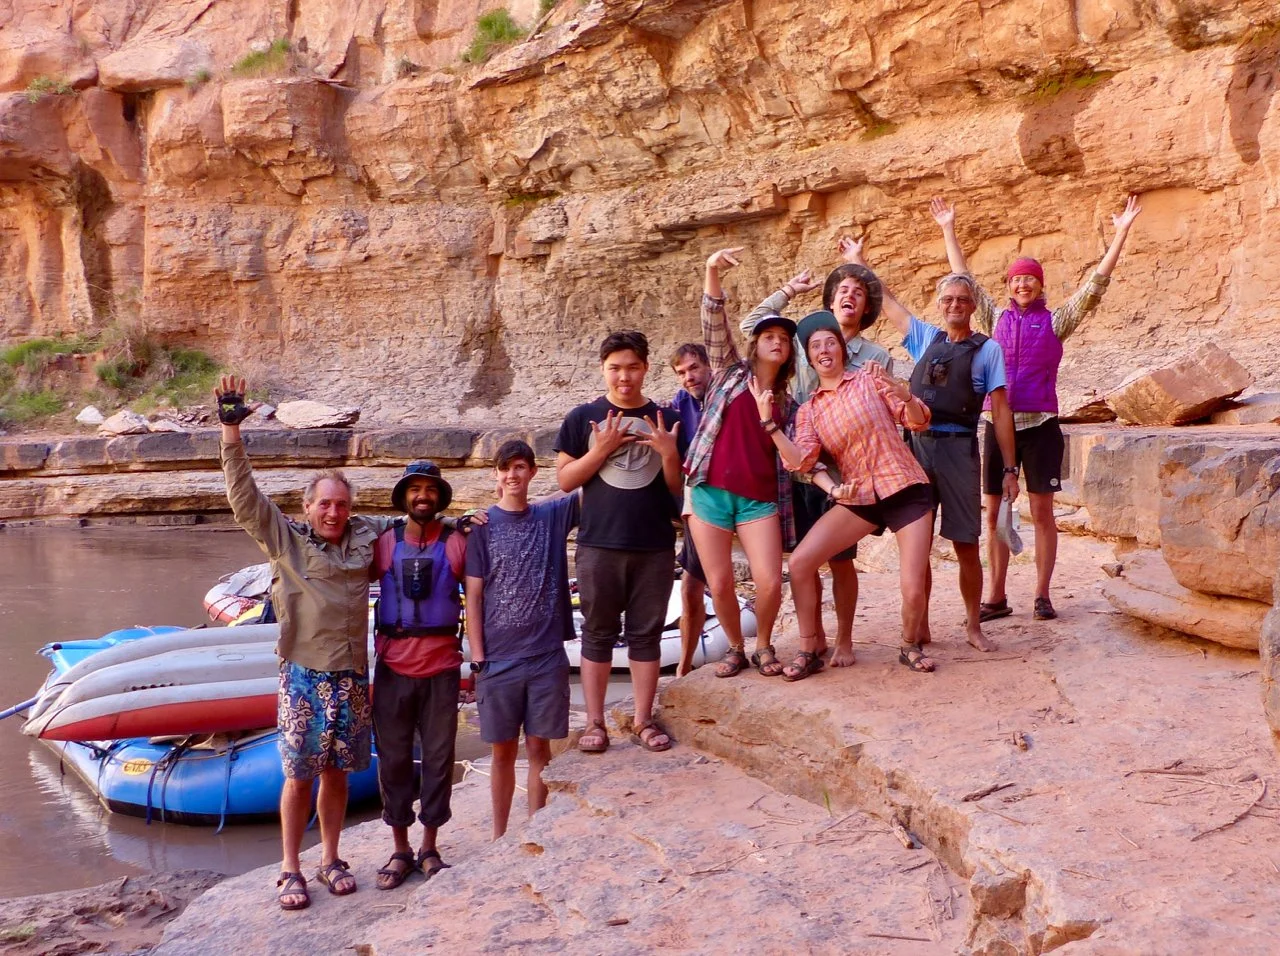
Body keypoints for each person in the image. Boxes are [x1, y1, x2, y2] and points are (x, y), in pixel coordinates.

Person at [215, 374, 397, 911]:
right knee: (298, 776)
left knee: (338, 774)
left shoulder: (366, 533)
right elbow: (244, 500)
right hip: (302, 676)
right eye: (325, 505)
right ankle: (290, 867)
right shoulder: (286, 540)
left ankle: (331, 858)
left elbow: (416, 523)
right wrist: (231, 432)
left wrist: (466, 523)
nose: (334, 513)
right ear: (308, 506)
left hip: (352, 675)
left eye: (341, 504)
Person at [930, 195, 1143, 621]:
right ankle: (996, 596)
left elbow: (1093, 288)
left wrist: (1120, 232)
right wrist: (948, 229)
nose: (1023, 285)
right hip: (998, 426)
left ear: (1040, 285)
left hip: (1042, 425)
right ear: (1009, 286)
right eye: (1016, 280)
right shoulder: (994, 319)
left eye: (1030, 279)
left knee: (1042, 511)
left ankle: (1043, 595)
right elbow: (964, 279)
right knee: (994, 511)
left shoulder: (1055, 321)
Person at [844, 239, 1019, 653]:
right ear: (940, 305)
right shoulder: (925, 338)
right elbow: (888, 302)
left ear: (972, 306)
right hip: (916, 449)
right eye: (948, 299)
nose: (955, 305)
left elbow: (1000, 411)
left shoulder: (988, 350)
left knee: (965, 543)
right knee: (917, 543)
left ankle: (974, 625)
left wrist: (1010, 469)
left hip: (958, 450)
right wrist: (859, 262)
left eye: (962, 299)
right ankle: (919, 626)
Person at [759, 310, 937, 677]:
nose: (824, 350)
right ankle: (808, 649)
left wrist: (907, 396)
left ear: (842, 349)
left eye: (830, 343)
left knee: (912, 587)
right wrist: (771, 426)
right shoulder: (810, 410)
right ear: (809, 359)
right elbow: (801, 461)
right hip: (859, 496)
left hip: (905, 486)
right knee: (800, 562)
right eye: (815, 346)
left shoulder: (870, 380)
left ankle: (909, 645)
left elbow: (917, 421)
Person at [739, 255, 892, 668]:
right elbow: (751, 326)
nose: (849, 296)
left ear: (867, 307)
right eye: (842, 290)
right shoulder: (806, 342)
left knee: (840, 561)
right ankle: (814, 638)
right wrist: (789, 291)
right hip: (798, 469)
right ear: (829, 300)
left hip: (843, 474)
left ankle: (844, 639)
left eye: (858, 293)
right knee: (803, 560)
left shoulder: (876, 357)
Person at [554, 331, 683, 754]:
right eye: (615, 368)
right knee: (597, 633)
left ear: (645, 368)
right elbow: (566, 480)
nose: (623, 377)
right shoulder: (582, 418)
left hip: (654, 543)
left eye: (632, 367)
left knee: (647, 634)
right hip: (598, 543)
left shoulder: (665, 418)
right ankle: (595, 722)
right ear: (602, 369)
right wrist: (602, 449)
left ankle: (643, 719)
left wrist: (669, 454)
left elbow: (678, 492)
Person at [685, 247, 797, 680]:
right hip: (709, 491)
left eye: (783, 338)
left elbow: (796, 456)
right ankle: (735, 647)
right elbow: (713, 320)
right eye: (769, 336)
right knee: (719, 583)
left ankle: (763, 644)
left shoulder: (788, 402)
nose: (776, 341)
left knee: (769, 581)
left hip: (758, 498)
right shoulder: (730, 371)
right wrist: (711, 269)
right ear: (757, 343)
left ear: (789, 353)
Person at [465, 440, 579, 838]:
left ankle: (533, 830)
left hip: (546, 656)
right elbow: (474, 596)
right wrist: (478, 658)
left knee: (538, 749)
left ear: (532, 472)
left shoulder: (551, 516)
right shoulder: (481, 527)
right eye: (505, 468)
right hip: (498, 660)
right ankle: (499, 836)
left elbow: (589, 484)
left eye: (519, 467)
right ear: (495, 475)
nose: (512, 475)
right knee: (501, 753)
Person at [369, 461, 466, 890]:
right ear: (404, 497)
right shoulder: (383, 542)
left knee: (439, 759)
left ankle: (429, 847)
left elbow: (480, 592)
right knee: (393, 760)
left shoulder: (458, 541)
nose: (422, 496)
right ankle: (400, 849)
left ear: (439, 497)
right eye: (415, 489)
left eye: (430, 489)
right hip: (393, 667)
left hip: (442, 670)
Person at [668, 343, 713, 677]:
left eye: (694, 368)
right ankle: (684, 666)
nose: (689, 377)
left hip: (744, 498)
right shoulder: (679, 405)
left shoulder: (728, 393)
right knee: (691, 586)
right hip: (699, 504)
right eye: (681, 372)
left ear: (709, 365)